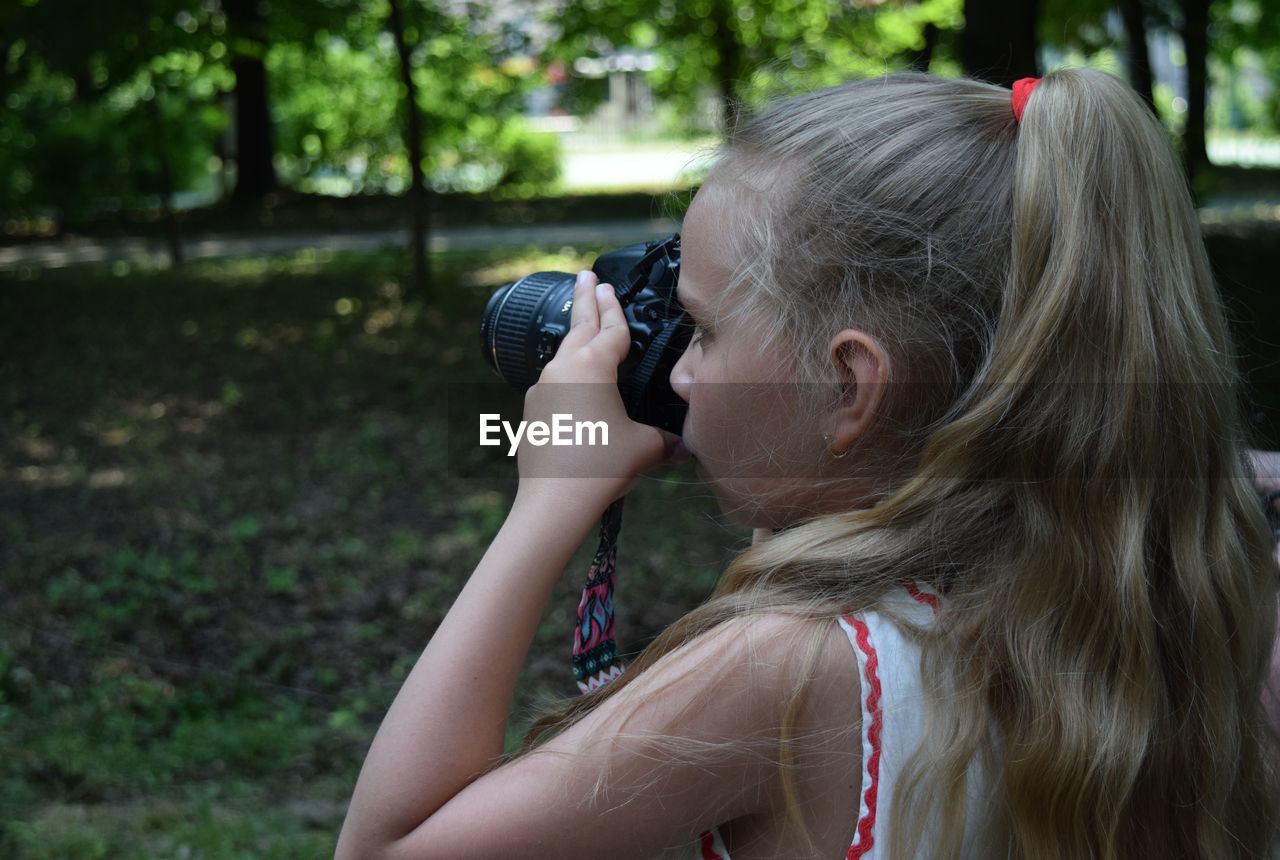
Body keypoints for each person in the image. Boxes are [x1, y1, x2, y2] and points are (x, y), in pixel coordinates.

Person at [336, 70, 1279, 859]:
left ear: (851, 387)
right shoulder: (1197, 585)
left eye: (700, 329)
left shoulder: (786, 673)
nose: (681, 368)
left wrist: (549, 500)